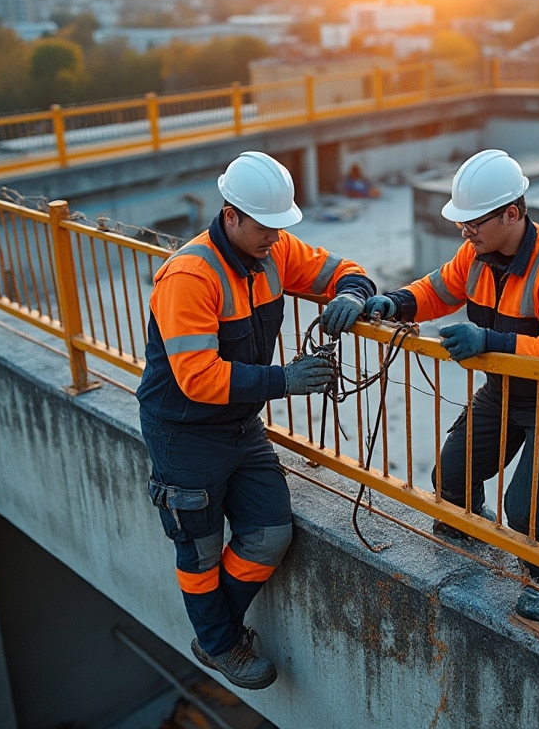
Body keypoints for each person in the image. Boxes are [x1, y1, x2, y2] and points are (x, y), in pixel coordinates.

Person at [138, 151, 372, 689]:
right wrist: (283, 381)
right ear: (231, 216)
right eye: (265, 227)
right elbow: (198, 378)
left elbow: (342, 270)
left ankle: (213, 630)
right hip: (183, 432)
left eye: (280, 227)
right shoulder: (190, 277)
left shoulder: (274, 251)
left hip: (240, 427)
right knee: (197, 551)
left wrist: (353, 295)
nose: (275, 237)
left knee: (269, 534)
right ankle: (221, 645)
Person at [361, 149, 539, 622]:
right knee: (452, 474)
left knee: (527, 506)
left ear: (512, 213)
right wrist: (391, 304)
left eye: (474, 222)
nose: (464, 231)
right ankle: (466, 530)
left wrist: (489, 339)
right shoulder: (477, 254)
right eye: (462, 223)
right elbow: (436, 291)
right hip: (505, 389)